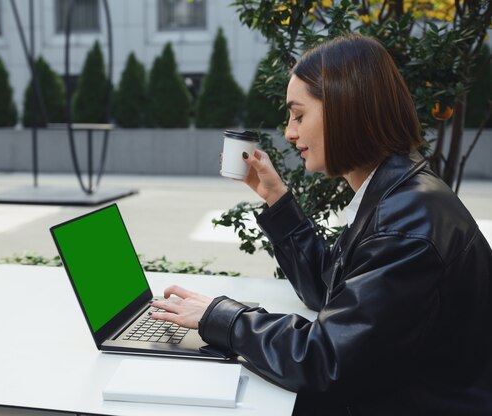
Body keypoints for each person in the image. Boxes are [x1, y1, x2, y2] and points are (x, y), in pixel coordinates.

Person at [150, 34, 492, 414]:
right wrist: (276, 199)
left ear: (347, 108)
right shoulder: (397, 192)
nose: (289, 131)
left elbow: (326, 359)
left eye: (298, 115)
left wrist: (222, 317)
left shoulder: (405, 220)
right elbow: (330, 291)